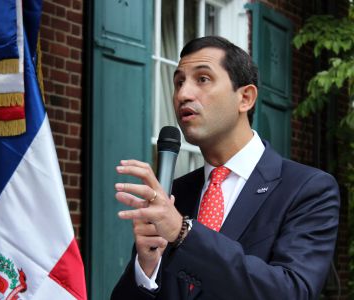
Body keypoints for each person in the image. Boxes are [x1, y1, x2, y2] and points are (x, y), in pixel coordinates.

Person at [111, 36, 340, 300]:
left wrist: (183, 233)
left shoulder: (307, 189)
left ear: (245, 97)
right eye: (178, 82)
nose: (183, 94)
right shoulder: (174, 195)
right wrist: (146, 269)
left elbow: (290, 292)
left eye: (203, 79)